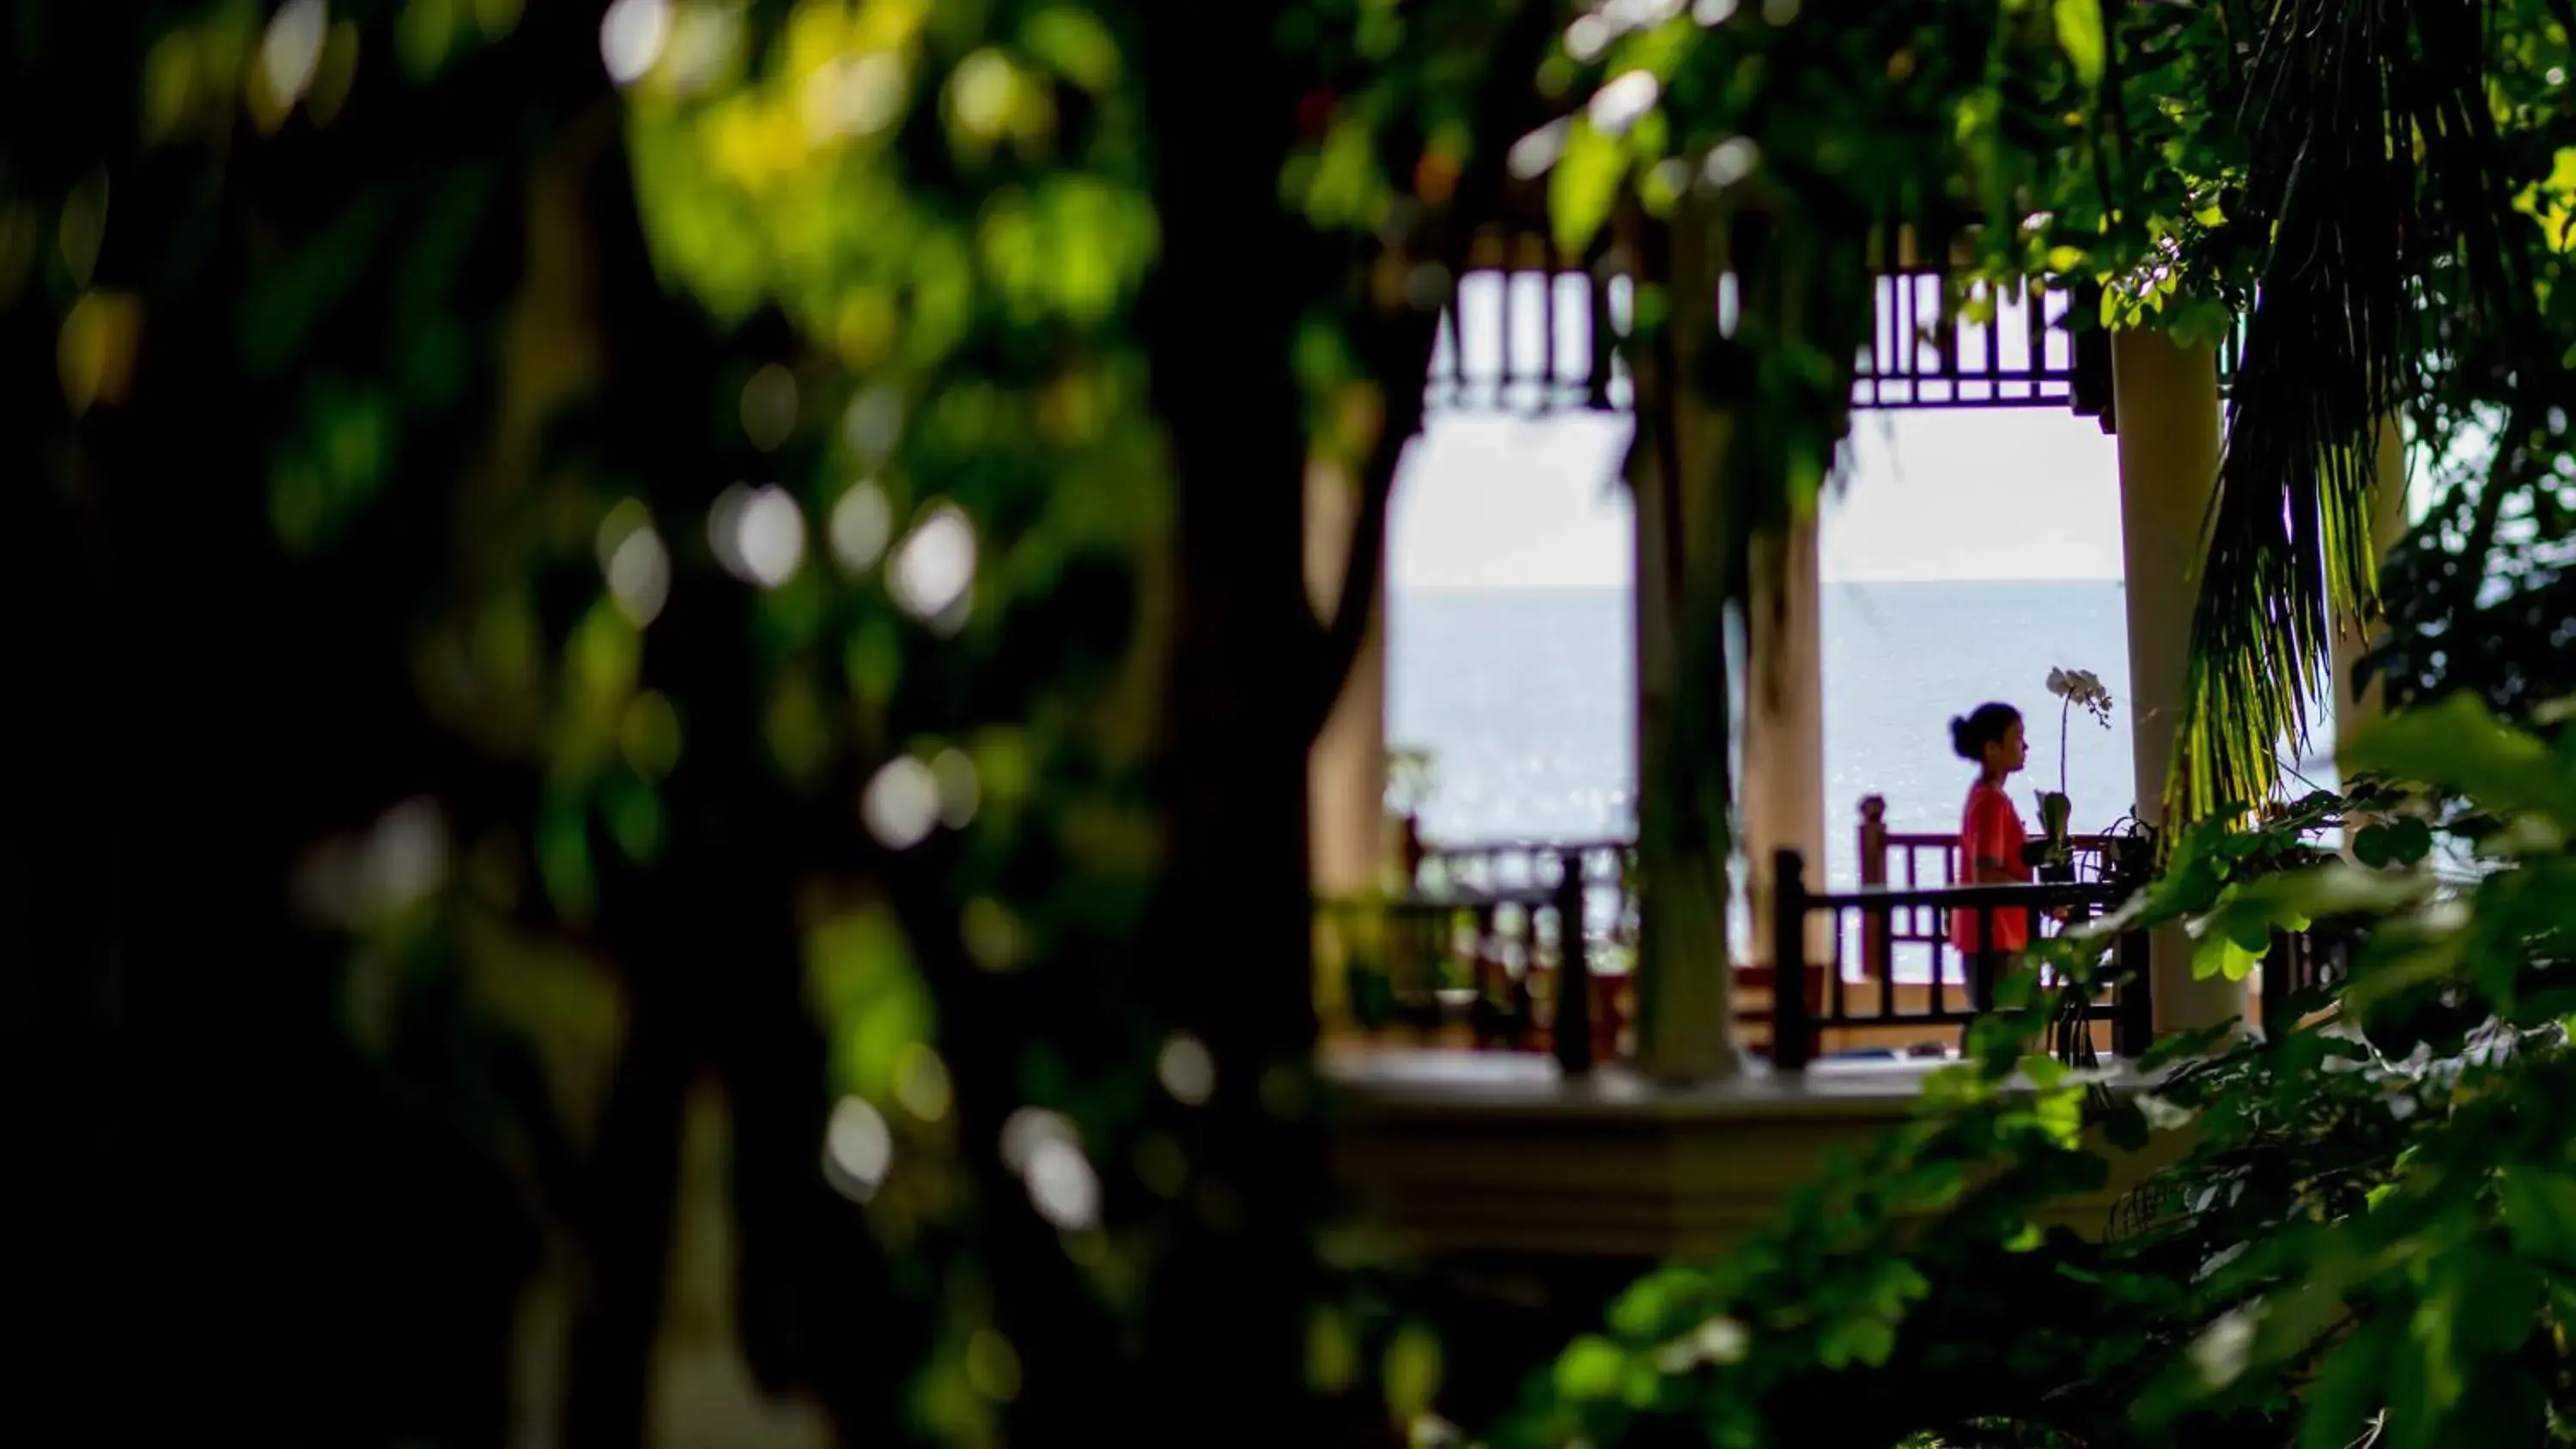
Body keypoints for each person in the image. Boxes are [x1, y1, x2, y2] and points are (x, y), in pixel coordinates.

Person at [1947, 702, 2032, 958]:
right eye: (2017, 737)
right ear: (1992, 748)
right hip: (1995, 937)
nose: (2025, 746)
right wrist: (2035, 896)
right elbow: (1986, 875)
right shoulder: (1992, 802)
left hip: (1987, 935)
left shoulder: (1982, 794)